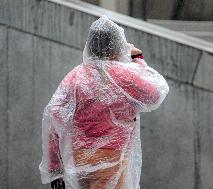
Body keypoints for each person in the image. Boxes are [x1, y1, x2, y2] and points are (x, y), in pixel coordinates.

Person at [39, 16, 169, 189]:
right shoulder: (123, 76)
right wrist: (137, 60)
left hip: (80, 158)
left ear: (90, 46)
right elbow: (154, 94)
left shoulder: (75, 77)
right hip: (112, 157)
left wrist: (55, 169)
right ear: (118, 46)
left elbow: (54, 120)